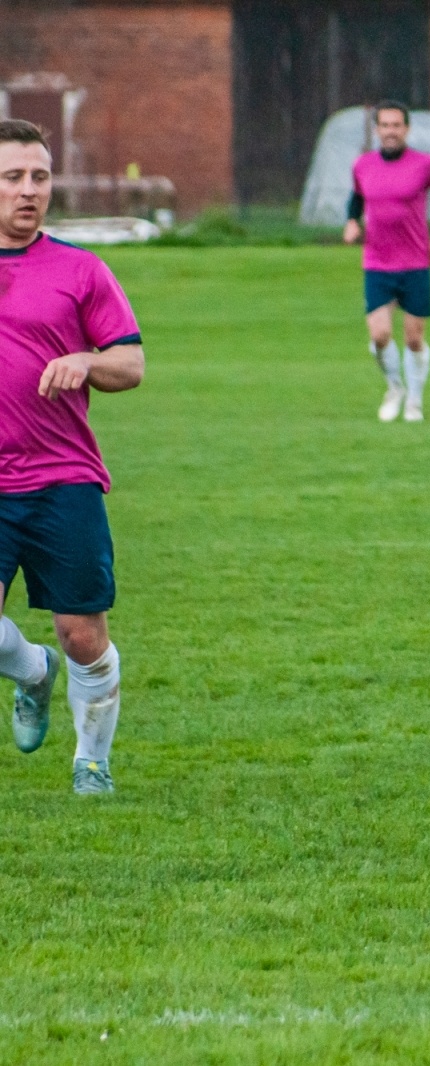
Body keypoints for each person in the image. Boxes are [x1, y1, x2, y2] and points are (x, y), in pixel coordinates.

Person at [0, 119, 145, 794]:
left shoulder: (81, 269)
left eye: (39, 177)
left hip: (64, 478)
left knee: (83, 633)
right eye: (12, 178)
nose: (29, 192)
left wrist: (88, 360)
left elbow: (132, 363)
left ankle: (92, 761)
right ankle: (31, 672)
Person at [343, 101, 430, 423]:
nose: (391, 131)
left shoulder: (424, 165)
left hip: (414, 261)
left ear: (406, 129)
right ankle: (395, 387)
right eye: (385, 125)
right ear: (377, 130)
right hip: (377, 262)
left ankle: (415, 401)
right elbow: (356, 197)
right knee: (380, 335)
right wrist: (352, 221)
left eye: (396, 125)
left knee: (413, 337)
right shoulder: (363, 165)